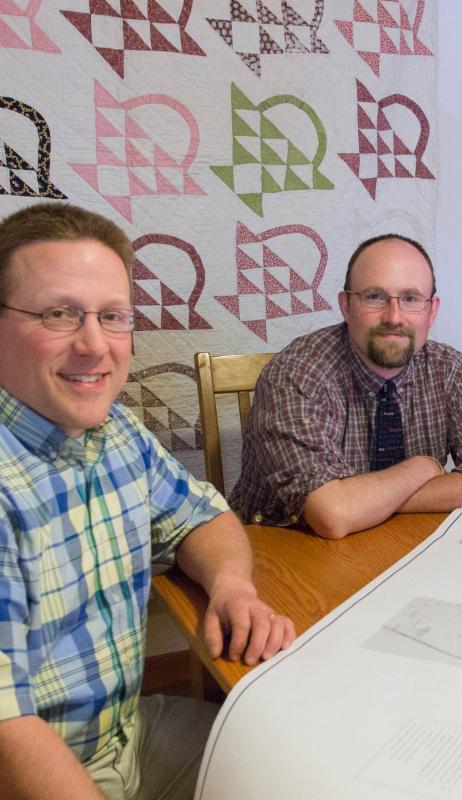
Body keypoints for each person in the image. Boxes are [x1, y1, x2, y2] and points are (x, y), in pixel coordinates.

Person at [0, 203, 296, 800]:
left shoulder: (116, 432)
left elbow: (202, 517)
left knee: (301, 763)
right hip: (37, 772)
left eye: (112, 316)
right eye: (58, 314)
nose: (95, 345)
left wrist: (232, 587)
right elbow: (7, 732)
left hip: (125, 738)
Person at [230, 234, 462, 539]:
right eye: (375, 296)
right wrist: (423, 468)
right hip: (281, 552)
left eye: (411, 299)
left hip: (395, 546)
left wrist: (371, 502)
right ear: (346, 306)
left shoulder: (450, 369)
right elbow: (333, 513)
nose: (394, 317)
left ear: (432, 311)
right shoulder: (296, 373)